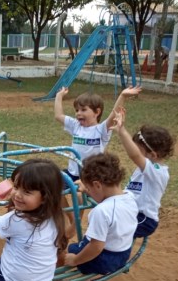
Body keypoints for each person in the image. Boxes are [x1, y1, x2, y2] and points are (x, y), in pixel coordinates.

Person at [53, 85, 141, 237]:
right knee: (53, 186)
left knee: (79, 196)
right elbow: (58, 115)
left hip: (91, 176)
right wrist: (59, 96)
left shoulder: (101, 130)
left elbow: (113, 115)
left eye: (83, 110)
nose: (78, 113)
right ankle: (72, 218)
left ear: (97, 112)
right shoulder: (76, 126)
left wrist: (123, 96)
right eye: (77, 110)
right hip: (73, 172)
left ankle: (76, 223)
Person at [64, 153, 138, 275]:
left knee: (72, 249)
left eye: (88, 188)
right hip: (124, 253)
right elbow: (108, 201)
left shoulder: (101, 211)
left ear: (97, 185)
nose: (88, 191)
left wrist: (75, 260)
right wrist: (88, 189)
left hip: (104, 260)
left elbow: (96, 247)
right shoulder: (130, 197)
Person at [110, 106, 175, 238]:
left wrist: (122, 131)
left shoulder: (158, 172)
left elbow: (134, 156)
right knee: (104, 219)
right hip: (129, 211)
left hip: (144, 219)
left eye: (138, 149)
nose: (135, 151)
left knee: (112, 229)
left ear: (153, 155)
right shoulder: (143, 169)